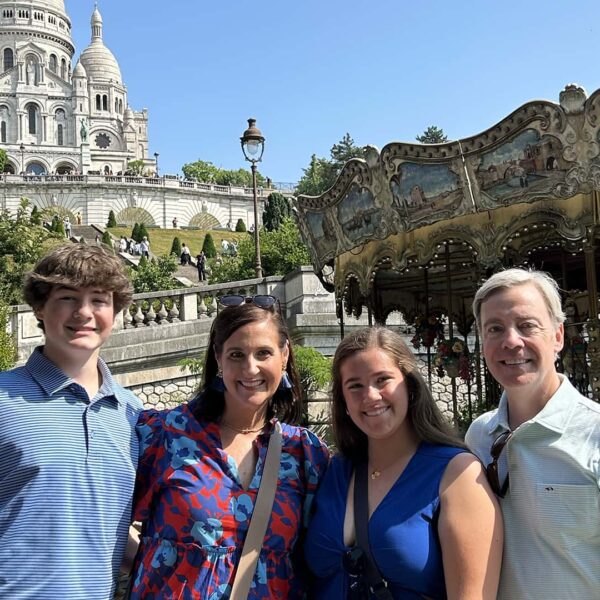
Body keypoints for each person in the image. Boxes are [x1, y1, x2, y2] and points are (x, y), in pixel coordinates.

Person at [129, 296, 330, 598]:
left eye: (264, 353)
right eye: (237, 354)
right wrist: (156, 561)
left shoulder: (304, 452)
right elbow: (97, 519)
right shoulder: (164, 435)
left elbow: (320, 556)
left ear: (284, 356)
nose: (250, 368)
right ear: (218, 357)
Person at [305, 327, 502, 599]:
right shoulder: (335, 470)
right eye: (355, 386)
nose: (371, 396)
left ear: (409, 386)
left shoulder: (456, 474)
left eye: (382, 380)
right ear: (344, 401)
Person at [0, 244, 143, 598]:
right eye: (67, 298)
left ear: (115, 310)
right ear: (39, 307)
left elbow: (98, 526)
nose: (84, 312)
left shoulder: (131, 413)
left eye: (99, 299)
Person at [465, 268, 600, 599]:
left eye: (527, 326)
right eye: (495, 329)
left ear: (558, 336)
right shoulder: (478, 437)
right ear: (483, 343)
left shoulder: (594, 434)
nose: (511, 341)